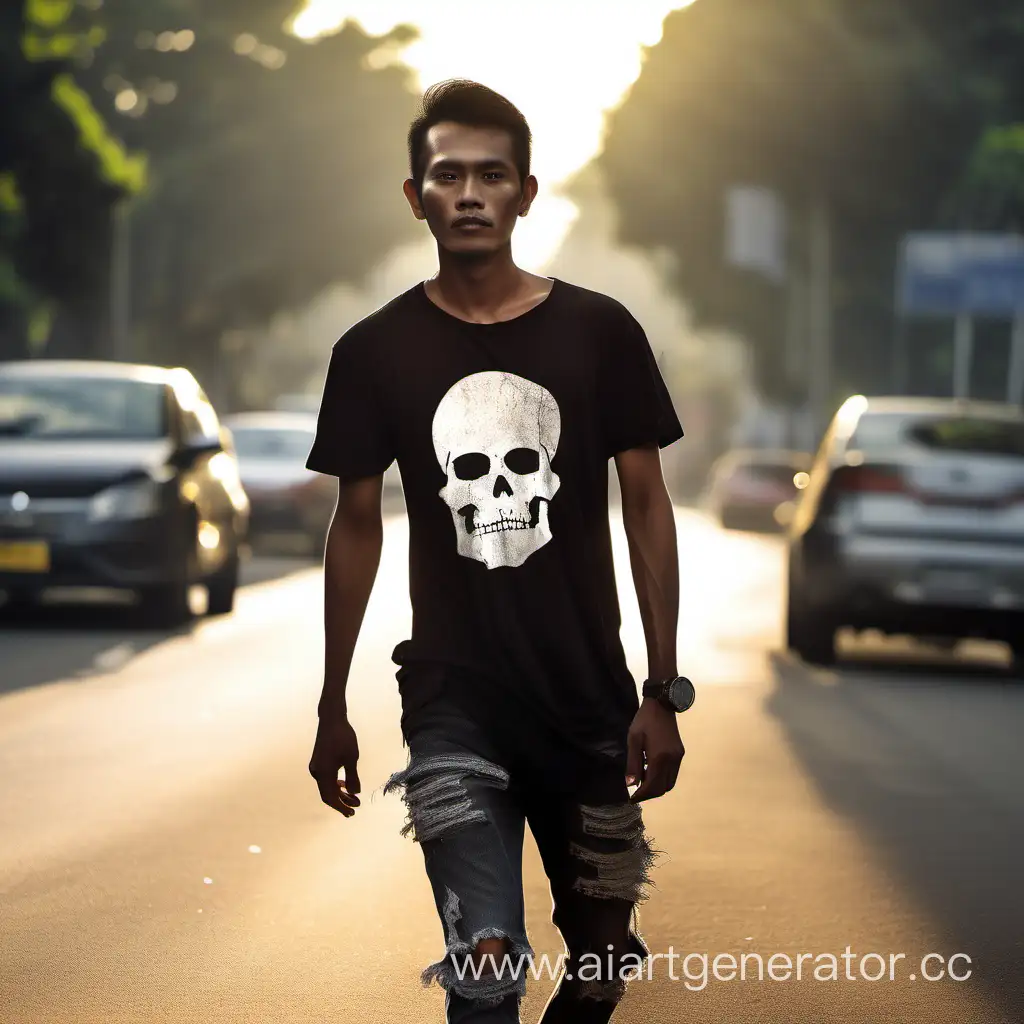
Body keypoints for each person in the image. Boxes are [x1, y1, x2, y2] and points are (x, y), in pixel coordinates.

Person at [306, 79, 693, 1024]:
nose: (469, 193)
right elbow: (356, 525)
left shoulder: (601, 333)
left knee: (601, 962)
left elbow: (645, 503)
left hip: (591, 708)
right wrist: (329, 705)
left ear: (526, 192)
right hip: (452, 710)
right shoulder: (373, 351)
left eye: (492, 174)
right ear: (415, 196)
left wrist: (662, 688)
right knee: (483, 971)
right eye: (448, 175)